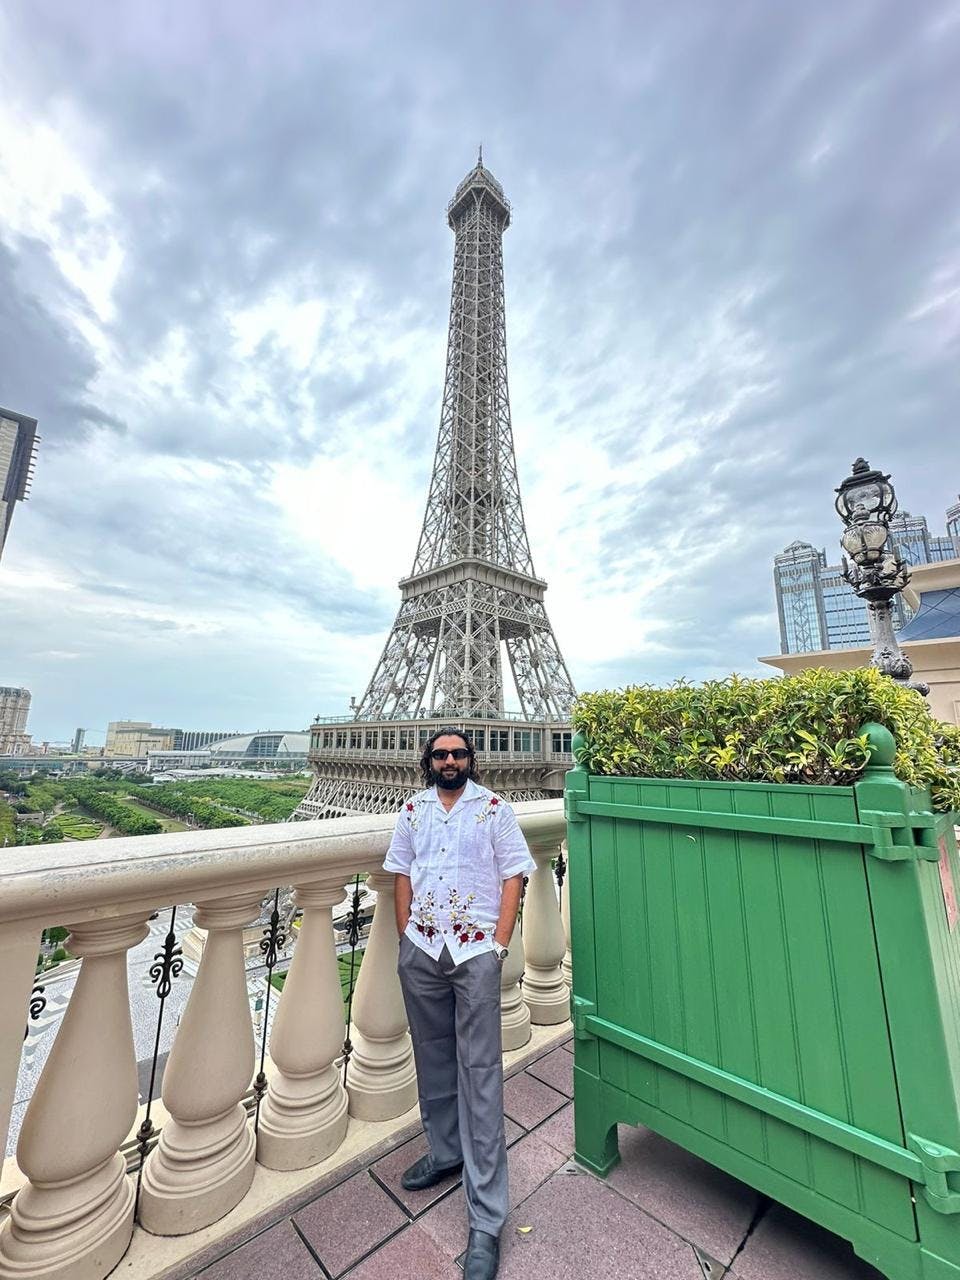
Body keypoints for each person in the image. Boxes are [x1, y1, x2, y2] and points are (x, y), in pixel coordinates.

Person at [383, 727, 535, 1280]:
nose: (450, 761)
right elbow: (401, 872)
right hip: (423, 950)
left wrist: (499, 946)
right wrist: (406, 935)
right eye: (441, 754)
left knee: (480, 1074)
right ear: (429, 760)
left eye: (459, 753)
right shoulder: (412, 810)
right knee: (432, 1059)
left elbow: (514, 875)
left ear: (471, 759)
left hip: (474, 954)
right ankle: (446, 1152)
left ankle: (487, 1219)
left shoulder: (494, 809)